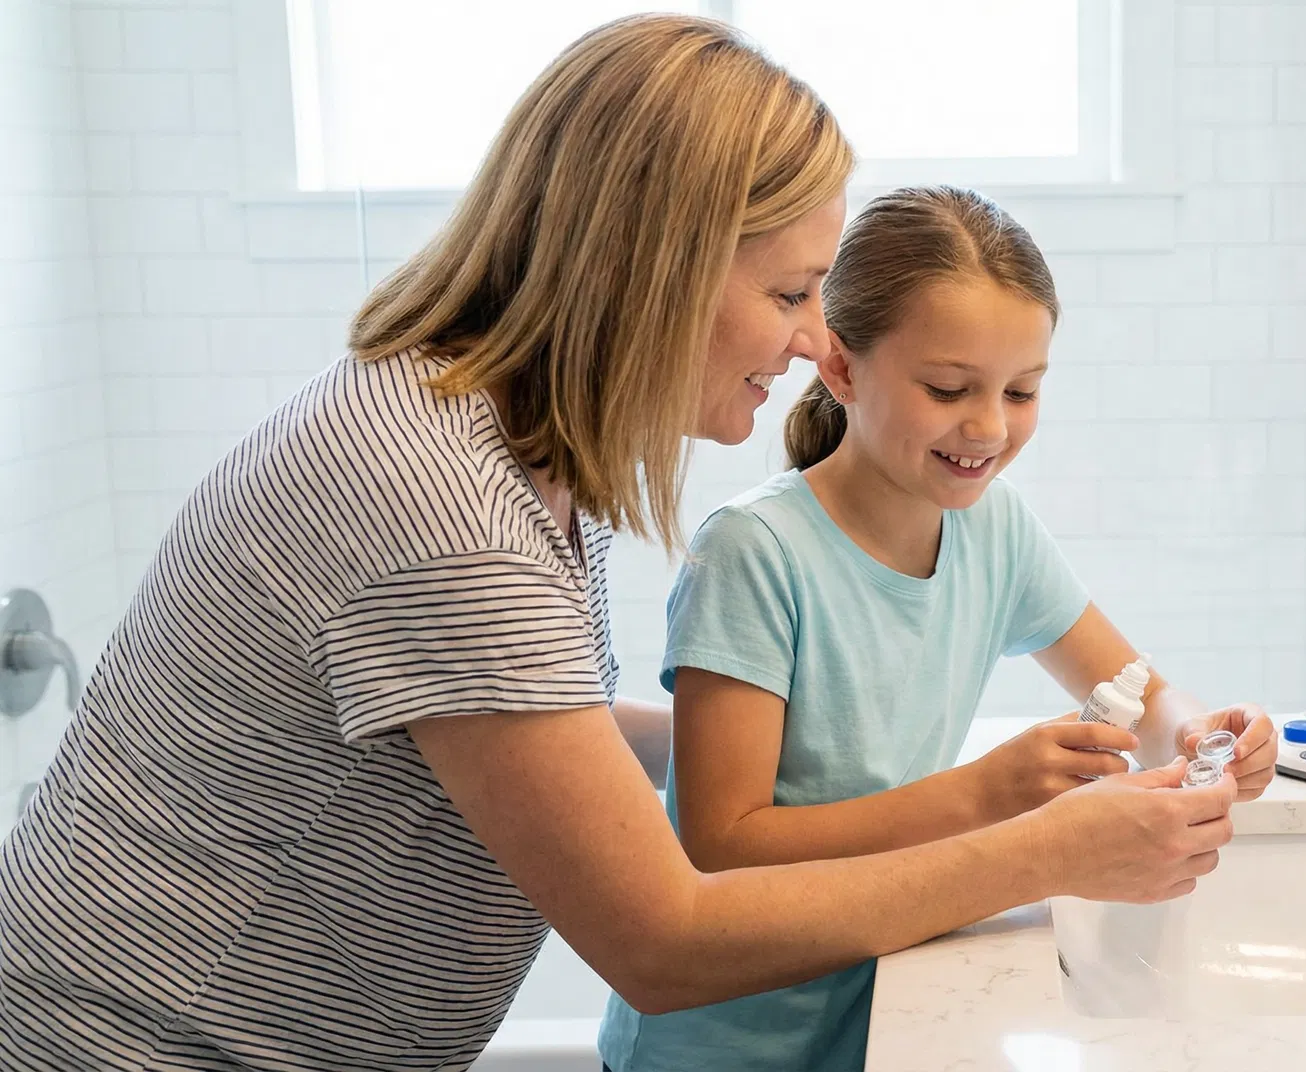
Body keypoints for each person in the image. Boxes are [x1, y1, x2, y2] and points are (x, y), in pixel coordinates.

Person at [0, 18, 1237, 1072]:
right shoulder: (445, 513)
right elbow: (664, 937)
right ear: (654, 268)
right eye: (790, 292)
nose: (815, 343)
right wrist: (1041, 847)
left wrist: (759, 735)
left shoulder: (482, 435)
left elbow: (515, 734)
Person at [599, 186, 1280, 1072]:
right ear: (840, 369)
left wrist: (1196, 732)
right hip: (723, 1043)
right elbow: (724, 845)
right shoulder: (755, 555)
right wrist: (986, 795)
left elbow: (1136, 689)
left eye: (1022, 390)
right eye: (948, 388)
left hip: (874, 1005)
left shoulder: (996, 531)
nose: (989, 427)